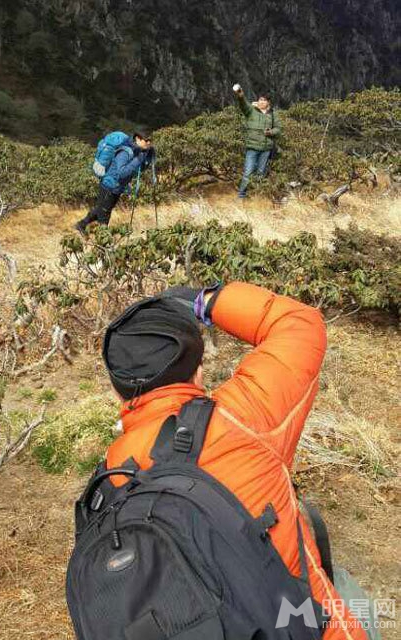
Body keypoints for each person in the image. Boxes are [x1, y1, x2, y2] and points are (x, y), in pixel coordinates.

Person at [75, 282, 369, 640]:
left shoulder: (107, 481)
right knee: (354, 596)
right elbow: (299, 323)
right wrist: (205, 301)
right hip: (305, 630)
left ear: (115, 390)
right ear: (198, 370)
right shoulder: (243, 418)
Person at [74, 131, 155, 235]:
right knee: (104, 214)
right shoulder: (125, 152)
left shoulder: (137, 152)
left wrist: (146, 159)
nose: (148, 143)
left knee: (102, 208)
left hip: (117, 187)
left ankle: (81, 224)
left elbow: (136, 170)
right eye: (146, 140)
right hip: (109, 186)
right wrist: (138, 160)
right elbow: (122, 173)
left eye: (149, 141)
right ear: (138, 139)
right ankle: (103, 244)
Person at [233, 84, 282, 198]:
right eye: (260, 99)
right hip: (252, 148)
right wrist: (240, 95)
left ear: (268, 102)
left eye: (264, 100)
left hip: (266, 150)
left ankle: (257, 196)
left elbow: (279, 129)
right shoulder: (251, 111)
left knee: (261, 174)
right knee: (248, 173)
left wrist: (271, 132)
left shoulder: (273, 114)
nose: (261, 102)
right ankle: (241, 196)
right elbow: (243, 104)